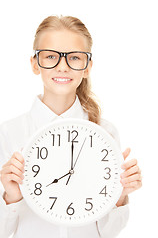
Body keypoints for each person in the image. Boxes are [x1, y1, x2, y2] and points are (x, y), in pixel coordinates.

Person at [0, 15, 142, 238]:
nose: (63, 67)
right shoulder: (9, 133)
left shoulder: (105, 133)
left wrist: (119, 195)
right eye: (50, 57)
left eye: (74, 58)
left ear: (87, 67)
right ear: (35, 64)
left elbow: (109, 232)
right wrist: (10, 196)